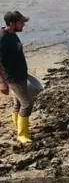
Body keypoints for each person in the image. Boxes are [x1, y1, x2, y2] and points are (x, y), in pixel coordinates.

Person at [0, 11, 32, 143]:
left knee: (18, 102)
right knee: (27, 104)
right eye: (21, 22)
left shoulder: (13, 35)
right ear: (12, 24)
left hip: (21, 75)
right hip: (13, 77)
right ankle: (22, 134)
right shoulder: (2, 38)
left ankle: (17, 126)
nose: (24, 24)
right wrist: (1, 82)